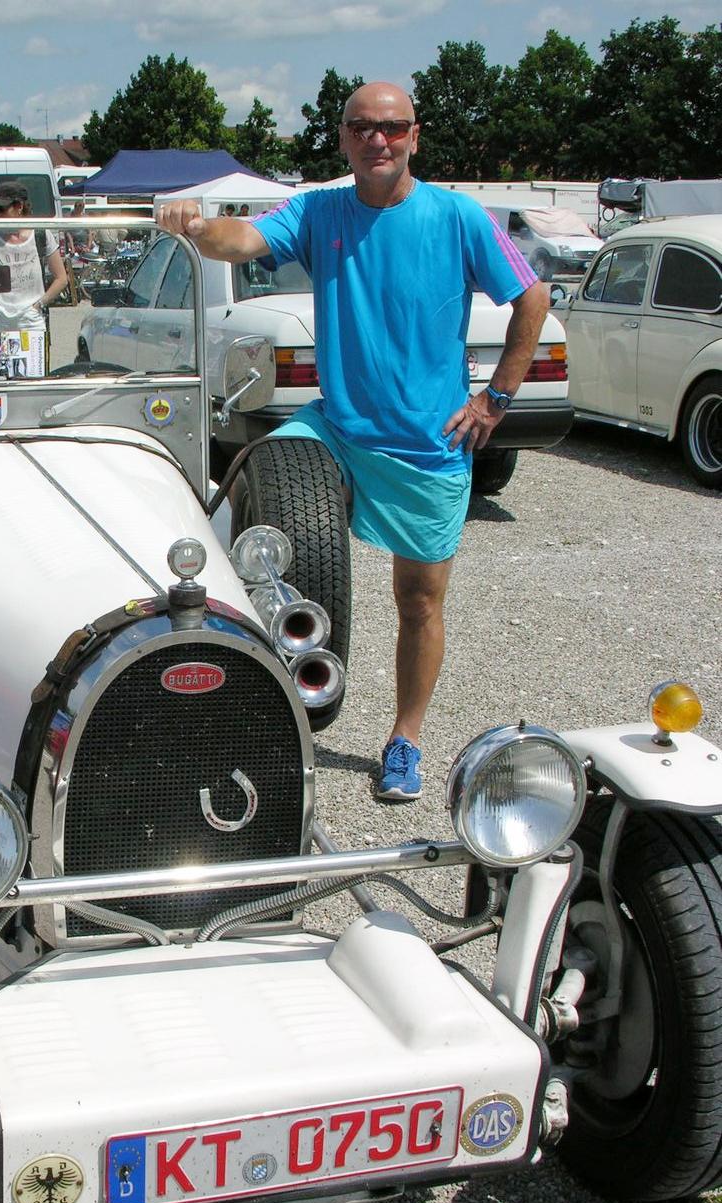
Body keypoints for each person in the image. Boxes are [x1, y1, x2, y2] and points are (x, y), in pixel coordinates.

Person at [158, 81, 548, 802]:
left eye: (393, 128)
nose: (378, 141)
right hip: (335, 427)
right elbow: (240, 240)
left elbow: (532, 295)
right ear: (343, 138)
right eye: (364, 128)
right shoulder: (319, 208)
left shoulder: (458, 217)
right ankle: (252, 703)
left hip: (427, 445)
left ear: (414, 137)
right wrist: (195, 225)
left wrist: (495, 399)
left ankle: (404, 740)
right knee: (251, 496)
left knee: (419, 602)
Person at [0, 180, 67, 376]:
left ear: (19, 207)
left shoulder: (41, 234)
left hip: (30, 321)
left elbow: (61, 278)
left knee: (33, 383)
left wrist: (39, 305)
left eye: (2, 209)